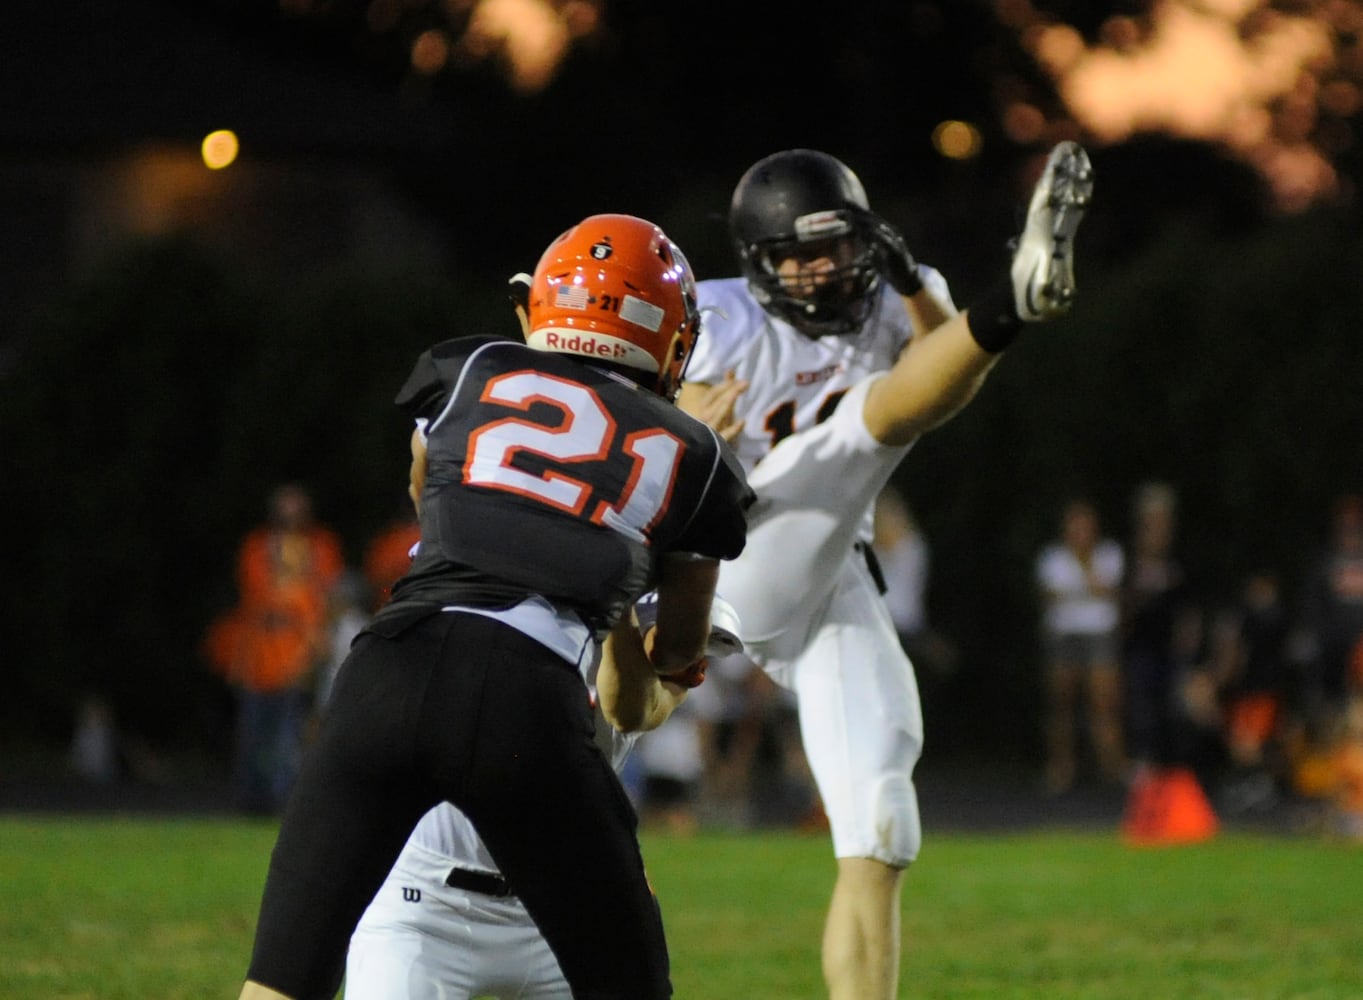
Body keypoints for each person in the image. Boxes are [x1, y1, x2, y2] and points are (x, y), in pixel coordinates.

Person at [238, 214, 753, 1000]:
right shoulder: (696, 457)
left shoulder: (466, 368)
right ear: (672, 343)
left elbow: (434, 499)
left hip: (387, 671)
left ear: (539, 305)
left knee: (279, 983)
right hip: (523, 702)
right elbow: (654, 680)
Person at [674, 141, 1094, 1000]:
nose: (824, 268)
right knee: (859, 427)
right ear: (758, 262)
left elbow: (941, 386)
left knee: (879, 814)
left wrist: (910, 286)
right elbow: (636, 440)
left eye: (838, 244)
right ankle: (1009, 305)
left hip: (828, 569)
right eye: (800, 251)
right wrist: (684, 425)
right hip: (710, 557)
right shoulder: (715, 320)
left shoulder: (904, 298)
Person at [345, 593, 744, 999]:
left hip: (559, 908)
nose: (688, 662)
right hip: (428, 905)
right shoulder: (521, 624)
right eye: (676, 638)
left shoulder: (641, 680)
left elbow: (625, 707)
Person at [206, 482, 346, 814]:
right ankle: (251, 799)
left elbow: (326, 595)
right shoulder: (258, 546)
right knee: (254, 733)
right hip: (260, 656)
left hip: (299, 654)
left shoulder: (320, 545)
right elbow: (253, 595)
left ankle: (287, 801)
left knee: (291, 735)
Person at [1034, 497, 1127, 793]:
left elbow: (1108, 590)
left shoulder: (1109, 553)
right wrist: (1089, 587)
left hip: (1099, 635)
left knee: (1103, 703)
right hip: (1063, 636)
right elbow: (1050, 595)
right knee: (1061, 703)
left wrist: (1083, 571)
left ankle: (1111, 768)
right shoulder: (1052, 557)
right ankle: (1061, 769)